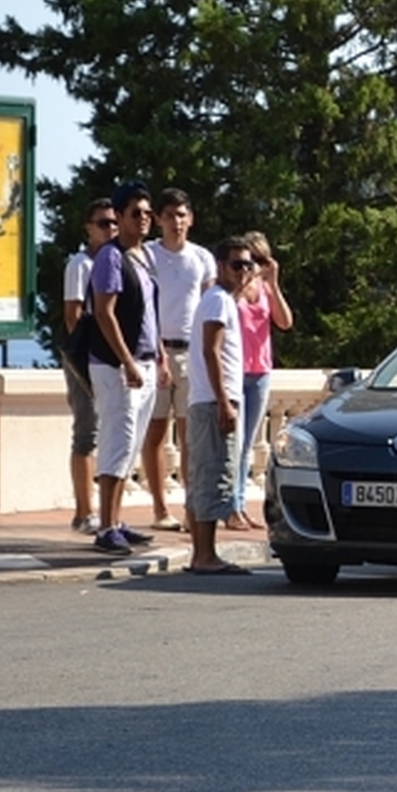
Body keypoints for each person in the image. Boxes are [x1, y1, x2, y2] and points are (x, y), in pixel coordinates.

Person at [77, 183, 164, 555]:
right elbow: (104, 312)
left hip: (145, 362)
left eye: (147, 213)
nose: (143, 219)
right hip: (116, 367)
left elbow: (149, 310)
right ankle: (106, 526)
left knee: (131, 443)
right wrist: (127, 359)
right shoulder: (111, 258)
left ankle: (117, 519)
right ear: (120, 217)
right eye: (135, 213)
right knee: (118, 440)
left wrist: (157, 354)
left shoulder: (143, 256)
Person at [139, 188, 217, 531]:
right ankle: (159, 509)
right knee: (154, 432)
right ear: (159, 219)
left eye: (182, 215)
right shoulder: (147, 255)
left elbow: (211, 306)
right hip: (156, 352)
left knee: (190, 437)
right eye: (169, 215)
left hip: (192, 352)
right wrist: (156, 355)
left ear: (191, 218)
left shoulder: (202, 258)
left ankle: (191, 509)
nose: (176, 222)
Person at [182, 243, 250, 574]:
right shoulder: (218, 301)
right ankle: (205, 554)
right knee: (213, 474)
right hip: (213, 402)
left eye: (249, 266)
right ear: (221, 265)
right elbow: (212, 351)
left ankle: (202, 552)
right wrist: (224, 400)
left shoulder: (221, 301)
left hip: (208, 399)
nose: (244, 272)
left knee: (204, 475)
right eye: (237, 265)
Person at [57, 198, 117, 532]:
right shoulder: (81, 264)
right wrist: (83, 362)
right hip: (86, 359)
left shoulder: (118, 261)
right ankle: (84, 511)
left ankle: (105, 511)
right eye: (102, 223)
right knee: (87, 431)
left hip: (109, 358)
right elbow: (72, 315)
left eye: (112, 222)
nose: (109, 228)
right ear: (88, 228)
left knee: (109, 432)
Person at [230, 230, 292, 529]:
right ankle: (230, 506)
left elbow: (285, 322)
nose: (253, 266)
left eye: (259, 259)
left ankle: (239, 504)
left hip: (259, 372)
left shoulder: (267, 290)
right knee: (234, 441)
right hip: (234, 370)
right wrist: (243, 282)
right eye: (249, 259)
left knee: (248, 443)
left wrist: (273, 282)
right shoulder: (234, 289)